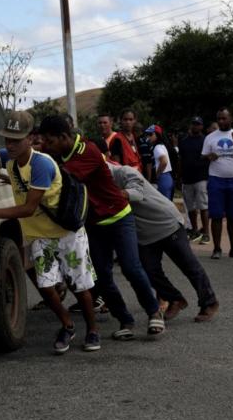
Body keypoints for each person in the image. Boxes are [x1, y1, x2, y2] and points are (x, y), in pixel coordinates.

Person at [0, 111, 101, 354]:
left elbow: (28, 208)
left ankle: (92, 330)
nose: (10, 145)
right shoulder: (9, 159)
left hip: (67, 233)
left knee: (80, 285)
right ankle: (68, 325)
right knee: (46, 286)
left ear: (30, 138)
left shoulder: (41, 165)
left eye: (16, 140)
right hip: (41, 236)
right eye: (7, 139)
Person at [38, 115, 166, 340]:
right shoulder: (60, 153)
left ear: (64, 137)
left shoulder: (86, 151)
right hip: (94, 224)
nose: (47, 146)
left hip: (118, 216)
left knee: (130, 267)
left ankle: (154, 311)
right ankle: (125, 319)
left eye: (50, 141)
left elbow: (62, 178)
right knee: (102, 276)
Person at [108, 162, 219, 323]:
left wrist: (116, 194)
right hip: (145, 233)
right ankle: (174, 299)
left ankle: (209, 302)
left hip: (167, 223)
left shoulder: (124, 172)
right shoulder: (95, 184)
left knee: (189, 265)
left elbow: (137, 193)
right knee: (148, 270)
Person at [201, 108, 233, 260]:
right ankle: (217, 248)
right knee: (216, 216)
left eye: (224, 119)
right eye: (219, 119)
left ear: (231, 119)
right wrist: (209, 156)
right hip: (216, 179)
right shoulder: (210, 137)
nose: (221, 121)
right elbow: (202, 157)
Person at [177, 117, 210, 243]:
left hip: (201, 177)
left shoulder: (205, 140)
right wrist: (178, 177)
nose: (195, 126)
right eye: (194, 124)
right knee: (190, 207)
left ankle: (206, 232)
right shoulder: (184, 140)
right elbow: (181, 159)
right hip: (187, 177)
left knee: (203, 206)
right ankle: (195, 231)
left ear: (202, 126)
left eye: (198, 124)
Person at [107, 109, 143, 174]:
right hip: (126, 176)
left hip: (138, 174)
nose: (128, 122)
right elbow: (116, 165)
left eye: (130, 119)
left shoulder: (135, 137)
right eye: (125, 119)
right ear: (120, 121)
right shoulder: (117, 140)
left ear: (135, 121)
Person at [145, 125, 174, 198]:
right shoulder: (162, 145)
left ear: (157, 135)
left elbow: (164, 162)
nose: (148, 137)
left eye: (151, 134)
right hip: (168, 177)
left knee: (164, 205)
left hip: (163, 177)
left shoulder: (157, 148)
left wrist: (157, 174)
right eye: (147, 134)